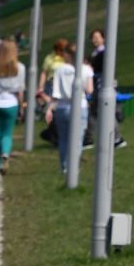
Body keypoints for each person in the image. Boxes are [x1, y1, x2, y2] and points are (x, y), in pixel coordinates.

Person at [45, 43, 92, 177]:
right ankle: (73, 167)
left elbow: (55, 93)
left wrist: (49, 109)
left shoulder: (59, 69)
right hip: (80, 106)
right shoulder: (86, 69)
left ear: (66, 54)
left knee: (64, 139)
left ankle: (64, 167)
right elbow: (89, 90)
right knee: (77, 140)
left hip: (62, 107)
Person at [0, 39, 26, 171]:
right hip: (11, 103)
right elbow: (20, 91)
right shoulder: (20, 68)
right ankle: (5, 153)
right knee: (7, 134)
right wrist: (21, 107)